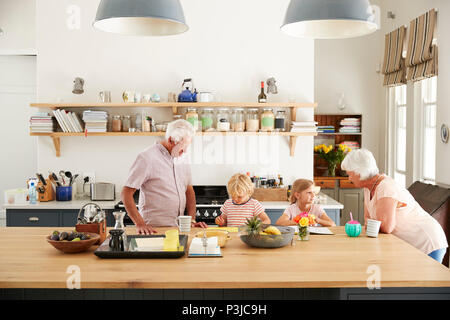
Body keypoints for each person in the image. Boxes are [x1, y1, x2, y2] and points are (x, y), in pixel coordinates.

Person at [341, 148, 448, 263]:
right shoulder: (368, 189)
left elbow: (386, 227)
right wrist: (375, 223)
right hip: (410, 243)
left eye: (350, 174)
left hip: (426, 241)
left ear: (359, 172)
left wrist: (375, 223)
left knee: (425, 281)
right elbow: (368, 221)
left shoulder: (386, 187)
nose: (349, 178)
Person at [121, 119, 207, 235]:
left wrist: (191, 220)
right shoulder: (147, 158)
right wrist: (140, 223)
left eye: (187, 147)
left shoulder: (183, 157)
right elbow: (126, 193)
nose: (185, 151)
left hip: (178, 229)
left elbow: (189, 190)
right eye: (182, 148)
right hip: (154, 229)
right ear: (171, 140)